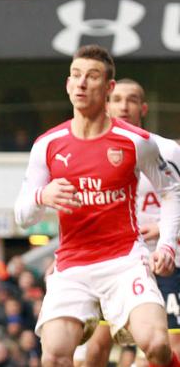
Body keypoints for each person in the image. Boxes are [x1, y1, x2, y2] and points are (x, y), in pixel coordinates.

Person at [16, 45, 180, 367]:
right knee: (55, 356)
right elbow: (22, 215)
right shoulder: (47, 145)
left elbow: (172, 191)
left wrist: (167, 245)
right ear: (67, 84)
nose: (81, 83)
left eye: (91, 77)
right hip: (72, 268)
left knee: (158, 344)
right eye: (75, 75)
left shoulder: (137, 142)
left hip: (125, 262)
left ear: (107, 87)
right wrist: (42, 196)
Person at [80, 78, 180, 367]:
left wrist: (162, 230)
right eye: (117, 99)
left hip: (166, 263)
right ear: (107, 105)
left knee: (168, 344)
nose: (124, 106)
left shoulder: (167, 149)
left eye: (132, 100)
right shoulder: (95, 151)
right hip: (118, 263)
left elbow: (176, 197)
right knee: (95, 346)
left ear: (143, 108)